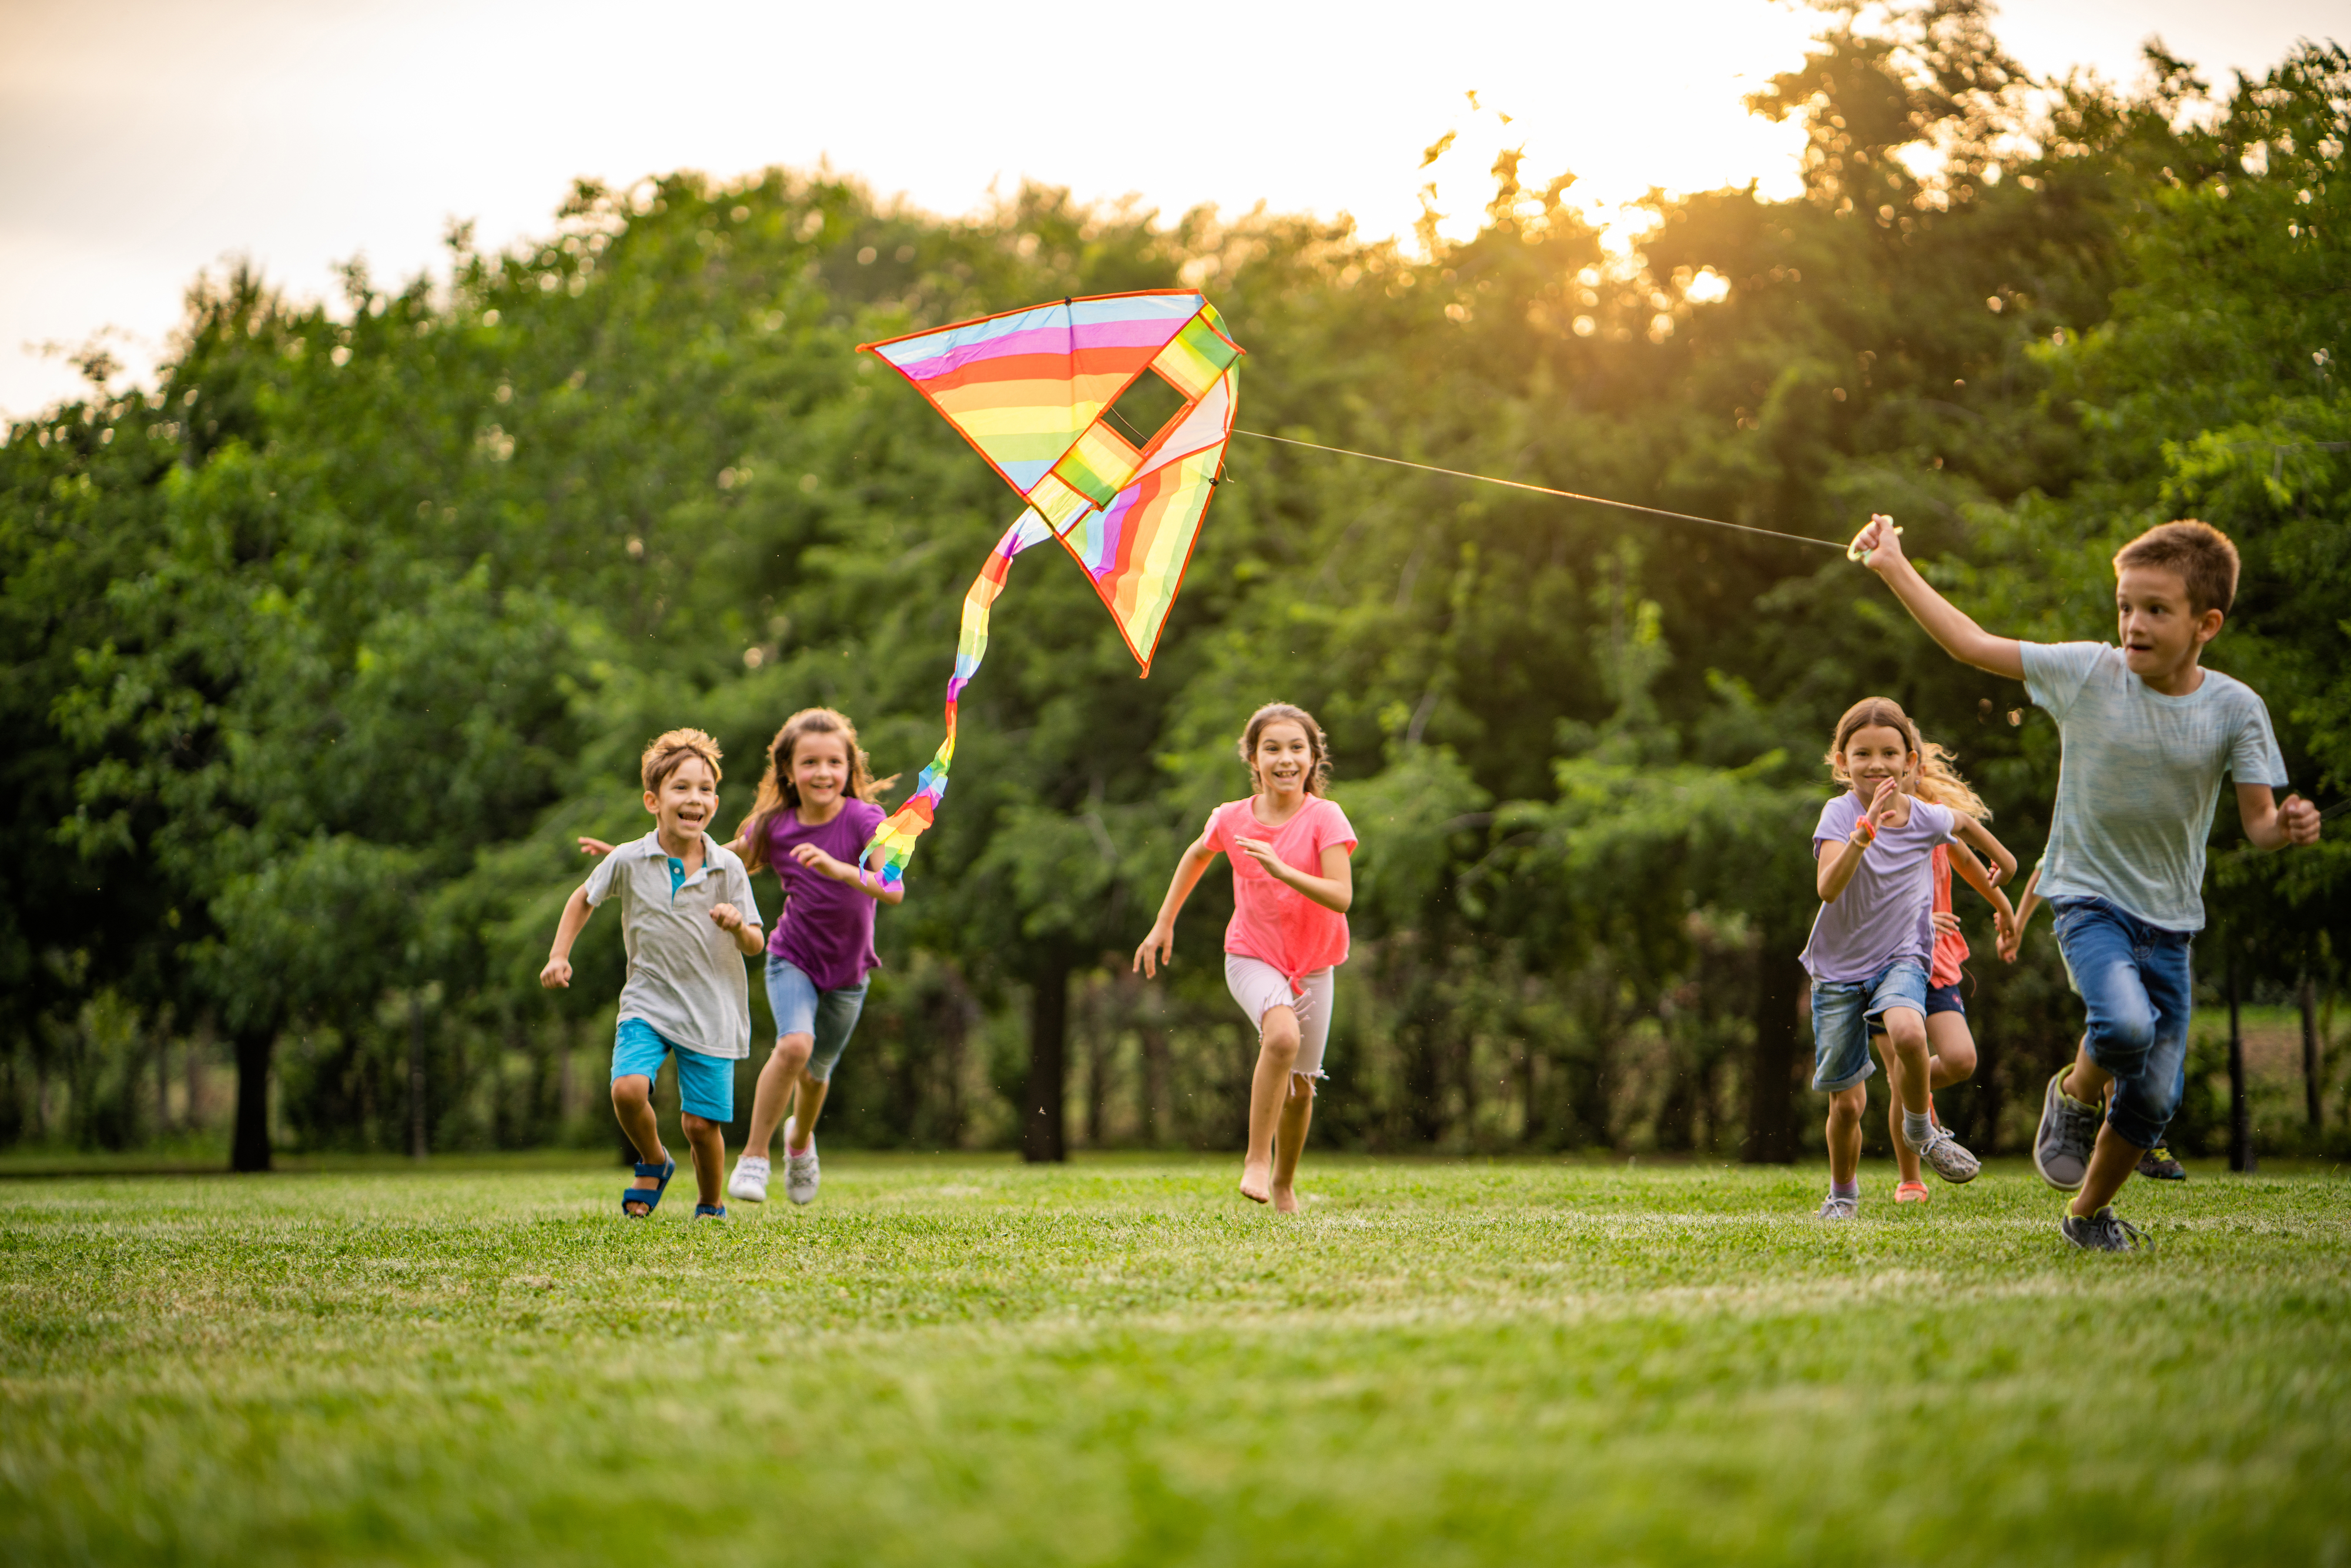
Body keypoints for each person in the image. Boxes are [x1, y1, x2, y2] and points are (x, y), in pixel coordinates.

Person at [1850, 515, 2319, 1249]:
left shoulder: (2235, 709)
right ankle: (2072, 1094)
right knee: (2126, 1026)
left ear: (2207, 623)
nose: (2132, 623)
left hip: (2171, 920)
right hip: (2087, 898)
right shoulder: (2088, 673)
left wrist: (2286, 826)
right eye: (2125, 605)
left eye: (2155, 610)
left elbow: (2257, 822)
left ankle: (2086, 1215)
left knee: (2156, 1095)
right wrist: (1893, 566)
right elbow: (1970, 643)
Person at [579, 708, 900, 1208]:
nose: (822, 772)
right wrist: (636, 858)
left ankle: (798, 1142)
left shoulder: (867, 820)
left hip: (850, 971)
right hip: (790, 955)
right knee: (794, 1046)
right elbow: (712, 858)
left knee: (816, 1075)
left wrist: (840, 869)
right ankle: (754, 1157)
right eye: (809, 761)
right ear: (787, 771)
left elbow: (892, 887)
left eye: (834, 762)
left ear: (849, 767)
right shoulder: (774, 826)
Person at [1133, 702, 1355, 1212]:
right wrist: (1164, 922)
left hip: (1315, 961)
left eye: (1297, 748)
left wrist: (1282, 870)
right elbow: (1197, 854)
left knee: (1301, 1089)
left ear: (1313, 757)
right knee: (1281, 1037)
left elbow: (1341, 896)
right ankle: (1256, 1159)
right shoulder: (1233, 817)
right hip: (1251, 954)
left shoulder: (1326, 818)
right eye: (1272, 748)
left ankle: (1283, 1184)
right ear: (1253, 759)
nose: (1285, 759)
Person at [541, 729, 764, 1219]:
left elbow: (755, 942)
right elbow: (583, 898)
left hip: (712, 1009)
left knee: (701, 1126)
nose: (695, 799)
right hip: (648, 1001)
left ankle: (710, 1204)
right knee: (626, 1089)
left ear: (716, 801)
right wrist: (559, 955)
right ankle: (654, 1159)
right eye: (681, 788)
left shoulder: (728, 867)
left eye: (705, 789)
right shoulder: (628, 858)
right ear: (653, 800)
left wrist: (736, 925)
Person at [1804, 698, 2007, 1218]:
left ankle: (1920, 1129)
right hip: (1839, 971)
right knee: (1848, 1104)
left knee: (1911, 1034)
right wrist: (1863, 835)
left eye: (1889, 753)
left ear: (1910, 761)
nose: (1877, 764)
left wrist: (2003, 864)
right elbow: (1828, 888)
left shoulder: (1922, 817)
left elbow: (1961, 826)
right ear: (1842, 762)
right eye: (1863, 753)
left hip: (1902, 957)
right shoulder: (1839, 813)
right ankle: (1843, 1196)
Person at [1875, 742, 2018, 1203]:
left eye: (1897, 761)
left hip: (1936, 962)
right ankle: (1910, 1179)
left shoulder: (1934, 824)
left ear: (1913, 768)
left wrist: (2005, 910)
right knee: (1901, 1062)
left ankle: (1914, 1092)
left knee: (1959, 1060)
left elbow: (1975, 868)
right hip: (1883, 962)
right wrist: (1914, 919)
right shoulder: (1864, 829)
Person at [2000, 868, 2188, 1182]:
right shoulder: (2081, 826)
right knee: (2122, 1024)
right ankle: (2090, 1108)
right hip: (2095, 928)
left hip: (2155, 922)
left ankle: (2132, 1131)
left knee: (2143, 1029)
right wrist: (2017, 924)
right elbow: (2043, 869)